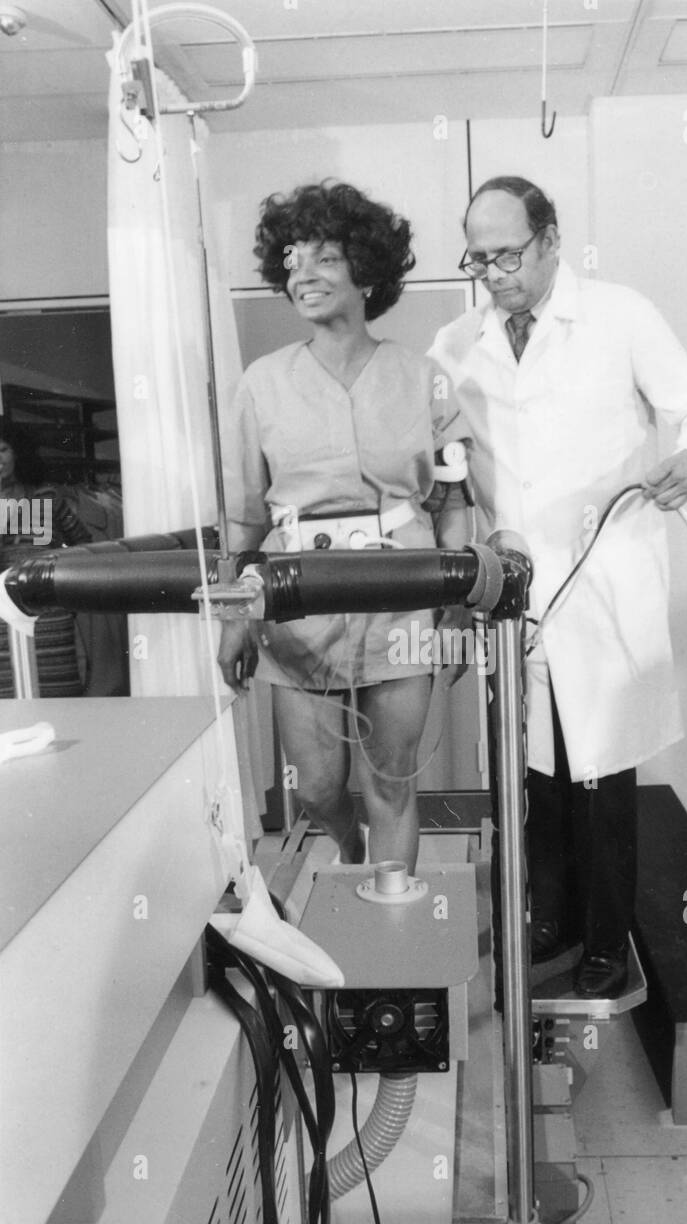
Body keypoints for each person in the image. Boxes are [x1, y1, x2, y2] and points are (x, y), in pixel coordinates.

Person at [430, 175, 687, 998]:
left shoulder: (620, 314)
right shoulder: (456, 344)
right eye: (478, 258)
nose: (493, 273)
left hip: (606, 579)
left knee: (602, 775)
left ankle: (605, 937)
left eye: (508, 254)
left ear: (552, 239)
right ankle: (550, 920)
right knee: (534, 773)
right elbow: (444, 464)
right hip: (517, 590)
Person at [218, 181, 469, 873]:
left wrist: (455, 597)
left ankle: (386, 948)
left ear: (367, 271)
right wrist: (235, 616)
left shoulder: (424, 378)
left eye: (325, 257)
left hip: (402, 601)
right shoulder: (260, 385)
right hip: (295, 609)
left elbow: (452, 499)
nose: (303, 273)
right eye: (293, 259)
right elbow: (242, 518)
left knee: (390, 781)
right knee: (319, 787)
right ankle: (351, 851)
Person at [1, 417, 93, 698]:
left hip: (51, 625)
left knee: (61, 705)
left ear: (18, 452)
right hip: (3, 626)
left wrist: (68, 593)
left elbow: (86, 548)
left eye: (2, 449)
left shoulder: (46, 497)